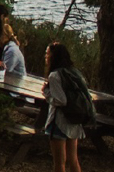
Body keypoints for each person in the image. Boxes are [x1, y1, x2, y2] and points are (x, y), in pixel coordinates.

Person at [43, 42, 86, 172]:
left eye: (47, 53)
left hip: (59, 122)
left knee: (59, 163)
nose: (46, 56)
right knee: (73, 159)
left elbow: (61, 100)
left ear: (53, 56)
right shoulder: (74, 72)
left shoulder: (55, 75)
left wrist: (47, 93)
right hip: (74, 120)